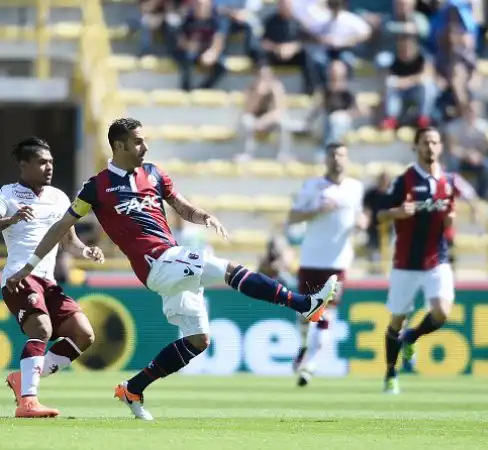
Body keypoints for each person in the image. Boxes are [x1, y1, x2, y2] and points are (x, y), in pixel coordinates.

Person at [5, 118, 338, 421]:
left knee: (198, 340)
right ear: (119, 146)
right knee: (228, 269)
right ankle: (303, 305)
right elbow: (61, 227)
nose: (144, 147)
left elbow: (180, 206)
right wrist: (31, 264)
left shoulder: (153, 173)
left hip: (173, 260)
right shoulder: (96, 187)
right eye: (137, 142)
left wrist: (203, 216)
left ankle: (133, 389)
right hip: (157, 263)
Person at [2, 137, 104, 418]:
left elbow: (68, 240)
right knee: (41, 330)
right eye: (42, 162)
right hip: (18, 277)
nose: (49, 167)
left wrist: (86, 250)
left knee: (84, 334)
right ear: (24, 165)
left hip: (48, 281)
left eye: (51, 162)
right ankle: (28, 401)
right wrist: (10, 221)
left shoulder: (58, 197)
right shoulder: (7, 194)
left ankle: (23, 380)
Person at [378, 126, 458, 394]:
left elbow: (448, 216)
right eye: (425, 142)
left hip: (437, 258)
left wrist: (450, 221)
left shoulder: (448, 182)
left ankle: (412, 337)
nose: (431, 147)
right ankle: (390, 373)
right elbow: (380, 214)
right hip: (406, 261)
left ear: (441, 146)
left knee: (442, 312)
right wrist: (398, 212)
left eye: (435, 142)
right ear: (416, 146)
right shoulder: (404, 181)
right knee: (396, 321)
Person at [287, 142, 367, 387]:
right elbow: (293, 216)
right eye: (333, 154)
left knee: (326, 313)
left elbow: (358, 214)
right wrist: (316, 210)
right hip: (311, 258)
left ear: (347, 159)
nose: (337, 159)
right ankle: (303, 346)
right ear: (326, 159)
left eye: (341, 155)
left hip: (338, 262)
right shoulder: (313, 186)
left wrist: (362, 221)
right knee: (305, 314)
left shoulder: (355, 188)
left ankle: (310, 365)